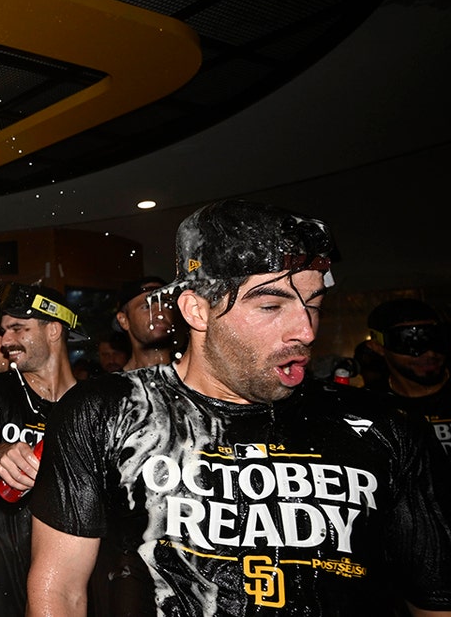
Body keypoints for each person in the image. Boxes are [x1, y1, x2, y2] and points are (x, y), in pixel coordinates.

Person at [27, 199, 451, 616]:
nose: (304, 330)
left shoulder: (384, 427)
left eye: (314, 305)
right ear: (197, 310)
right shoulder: (110, 412)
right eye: (271, 306)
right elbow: (59, 591)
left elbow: (434, 599)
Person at [0, 283, 84, 617]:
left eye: (18, 329)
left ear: (54, 329)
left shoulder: (92, 405)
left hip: (65, 588)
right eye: (5, 330)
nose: (7, 341)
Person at [366, 298, 451, 456]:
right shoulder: (371, 407)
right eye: (408, 341)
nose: (429, 353)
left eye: (435, 338)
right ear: (378, 347)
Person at [113, 275, 181, 371]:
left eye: (166, 305)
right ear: (124, 320)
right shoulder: (115, 384)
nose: (160, 313)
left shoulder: (195, 377)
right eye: (147, 307)